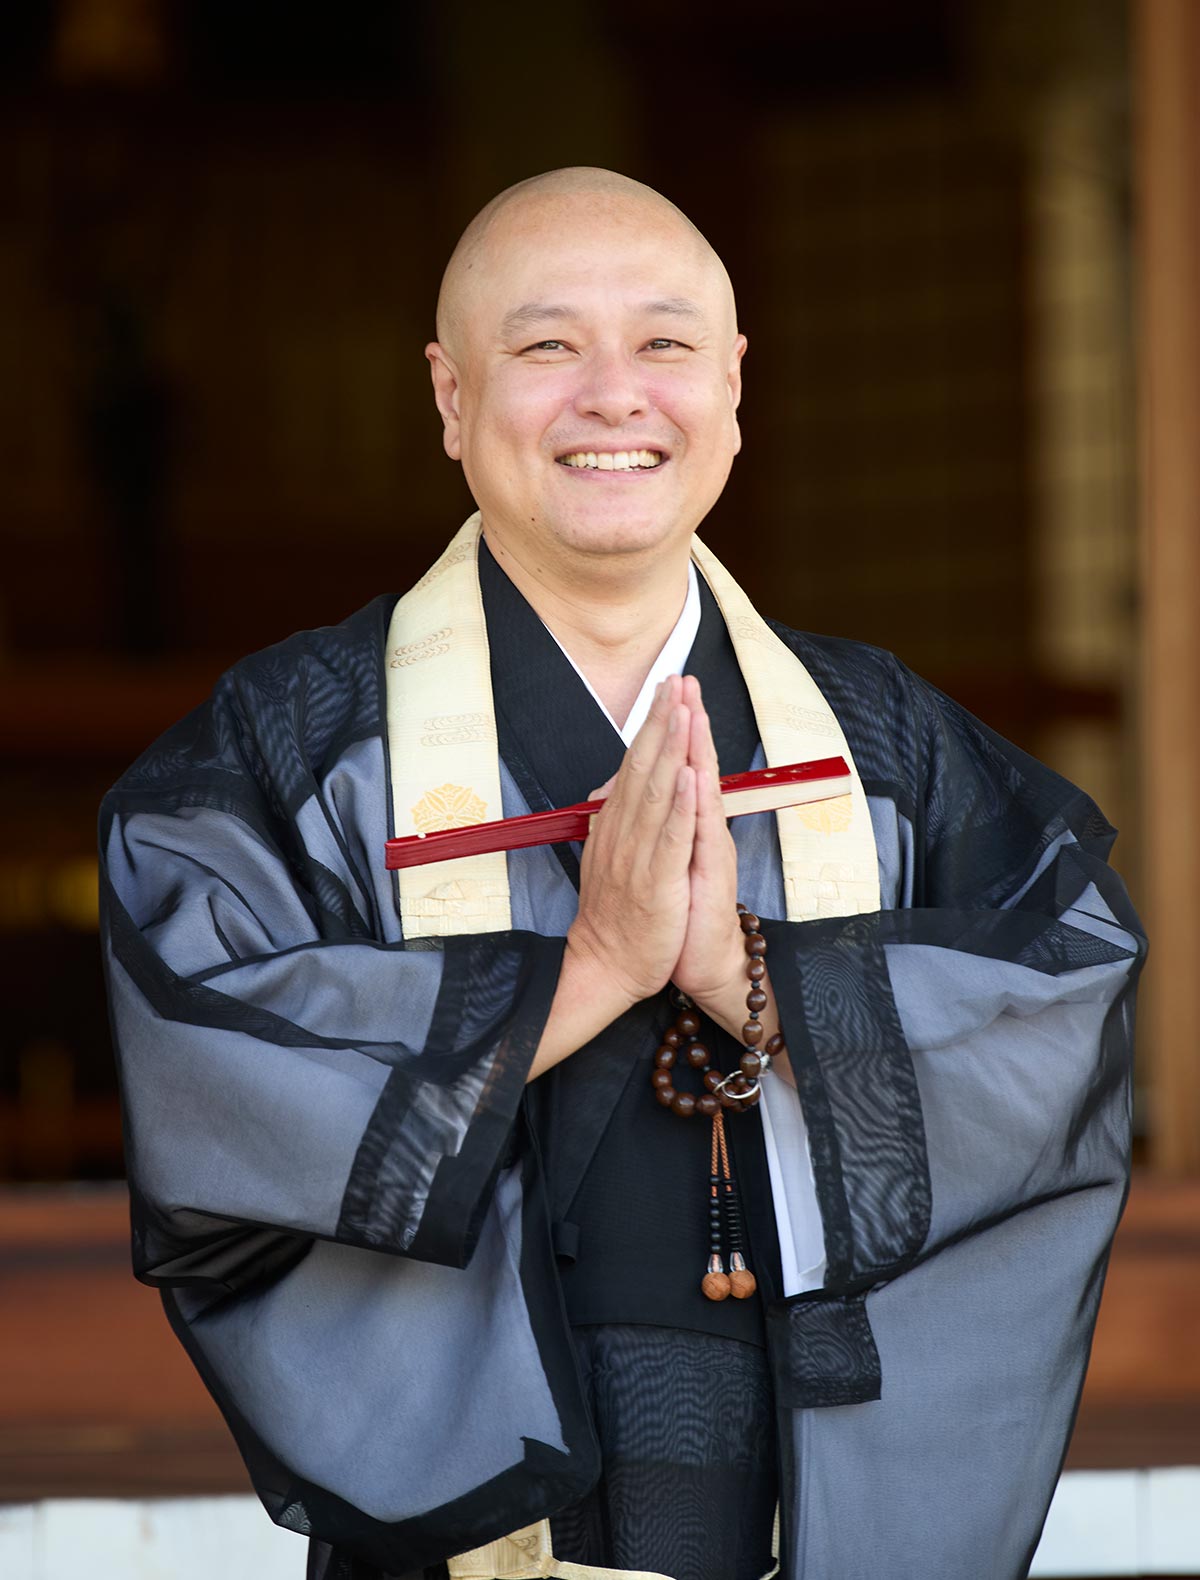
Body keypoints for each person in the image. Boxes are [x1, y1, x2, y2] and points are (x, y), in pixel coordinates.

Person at [99, 168, 1144, 1580]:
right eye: (546, 349)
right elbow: (208, 1056)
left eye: (663, 345)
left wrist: (744, 971)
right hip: (462, 1526)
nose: (613, 397)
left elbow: (1062, 1002)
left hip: (800, 1497)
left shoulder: (879, 739)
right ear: (452, 398)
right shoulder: (298, 740)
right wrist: (587, 971)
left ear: (732, 386)